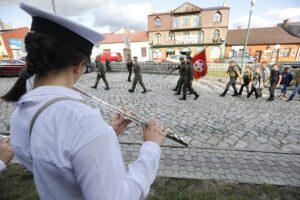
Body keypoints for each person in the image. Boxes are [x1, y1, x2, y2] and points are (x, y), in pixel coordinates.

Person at [2, 3, 167, 199]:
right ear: (79, 66)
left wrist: (109, 132)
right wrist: (151, 146)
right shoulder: (82, 121)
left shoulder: (20, 112)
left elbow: (62, 156)